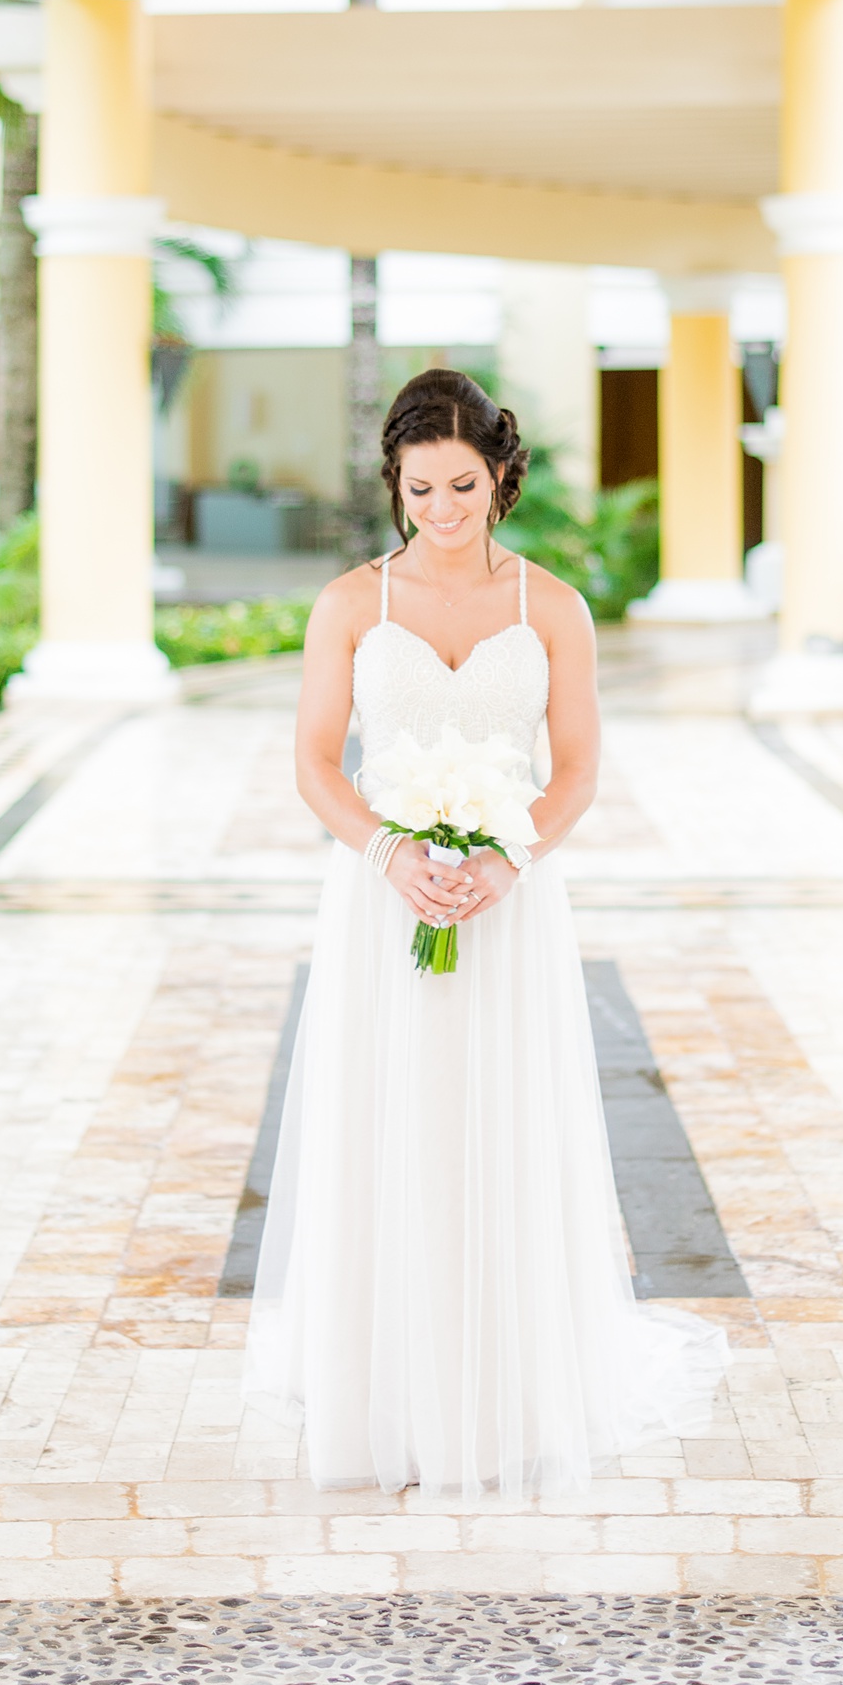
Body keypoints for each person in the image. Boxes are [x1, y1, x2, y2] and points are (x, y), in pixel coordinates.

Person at [243, 367, 729, 1498]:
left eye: (462, 483)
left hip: (509, 912)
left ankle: (508, 1386)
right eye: (420, 487)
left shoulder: (549, 607)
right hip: (381, 902)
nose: (442, 509)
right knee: (391, 1123)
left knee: (501, 1123)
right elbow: (317, 761)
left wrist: (507, 860)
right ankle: (387, 1388)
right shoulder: (349, 604)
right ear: (394, 483)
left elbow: (577, 770)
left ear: (500, 476)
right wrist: (391, 853)